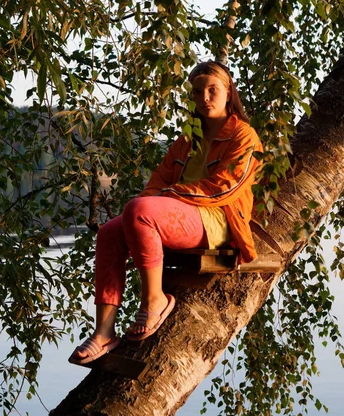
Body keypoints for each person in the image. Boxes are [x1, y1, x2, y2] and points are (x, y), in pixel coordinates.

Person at [68, 60, 262, 365]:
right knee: (109, 231)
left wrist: (165, 198)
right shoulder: (187, 140)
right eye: (198, 92)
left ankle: (155, 300)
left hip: (216, 220)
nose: (205, 98)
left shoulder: (244, 135)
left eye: (213, 90)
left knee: (140, 210)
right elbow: (156, 183)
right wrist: (145, 210)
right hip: (179, 216)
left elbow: (226, 187)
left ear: (229, 93)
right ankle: (104, 331)